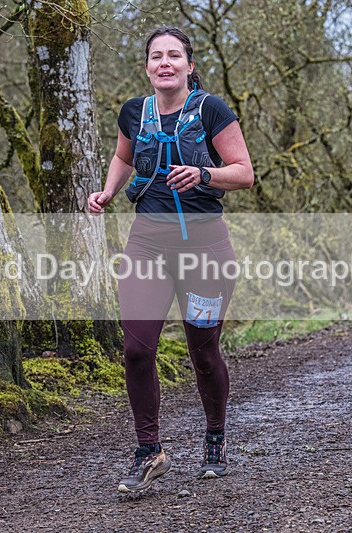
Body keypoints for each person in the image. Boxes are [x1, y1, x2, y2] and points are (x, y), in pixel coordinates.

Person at [87, 26, 253, 493]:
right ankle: (148, 451)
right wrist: (107, 191)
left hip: (205, 249)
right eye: (156, 56)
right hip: (146, 244)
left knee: (203, 350)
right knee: (137, 349)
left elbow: (244, 174)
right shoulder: (134, 112)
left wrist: (203, 173)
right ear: (147, 67)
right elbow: (123, 158)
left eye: (174, 55)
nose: (165, 63)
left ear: (189, 66)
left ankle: (215, 438)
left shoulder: (211, 110)